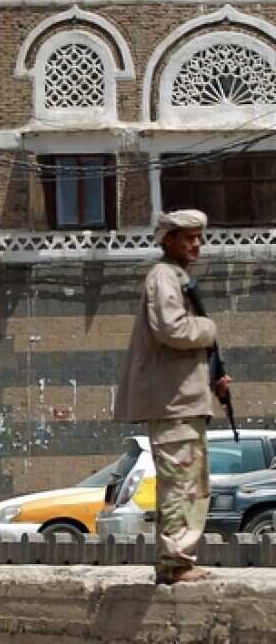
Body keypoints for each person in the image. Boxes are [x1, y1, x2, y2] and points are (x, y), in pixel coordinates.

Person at [114, 210, 231, 586]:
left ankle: (179, 559)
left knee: (192, 484)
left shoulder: (176, 277)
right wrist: (209, 328)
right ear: (168, 239)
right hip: (173, 403)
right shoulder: (163, 276)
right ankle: (174, 563)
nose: (196, 244)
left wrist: (212, 378)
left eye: (199, 237)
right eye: (187, 237)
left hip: (185, 400)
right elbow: (171, 328)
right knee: (180, 483)